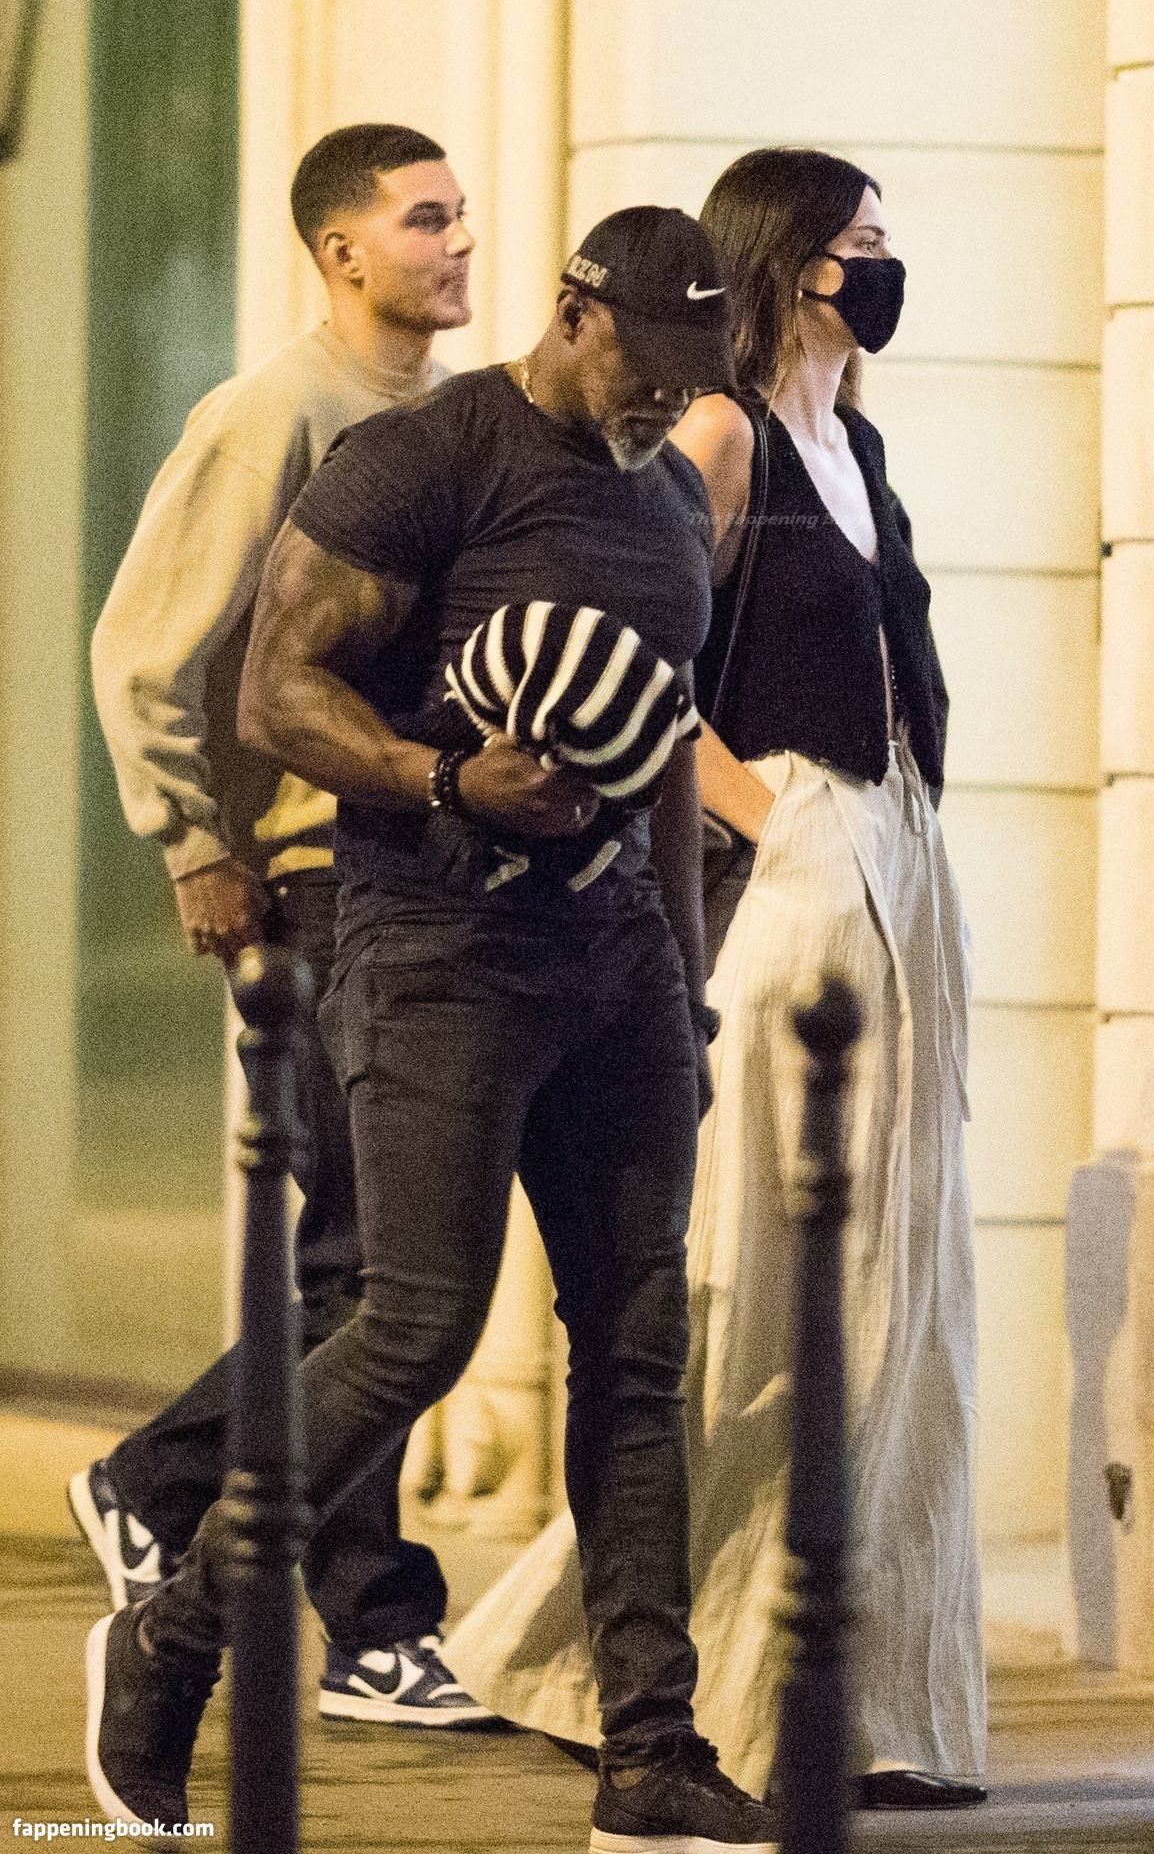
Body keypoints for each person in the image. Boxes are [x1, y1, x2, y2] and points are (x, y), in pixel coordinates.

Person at [84, 204, 781, 1854]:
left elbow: (665, 751)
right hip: (436, 948)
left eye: (691, 377)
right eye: (644, 364)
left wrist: (684, 994)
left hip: (619, 968)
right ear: (575, 314)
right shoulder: (425, 460)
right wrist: (446, 777)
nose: (661, 400)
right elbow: (274, 690)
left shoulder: (668, 499)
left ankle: (652, 1753)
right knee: (413, 1328)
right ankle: (176, 1638)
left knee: (636, 1351)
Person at [442, 146, 988, 1809]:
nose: (879, 270)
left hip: (903, 850)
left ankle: (856, 1693)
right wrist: (777, 816)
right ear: (787, 259)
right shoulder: (723, 434)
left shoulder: (858, 442)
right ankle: (656, 1672)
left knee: (895, 1291)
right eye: (858, 244)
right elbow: (639, 673)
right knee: (771, 1272)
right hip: (801, 863)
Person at [80, 122, 492, 1728]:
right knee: (373, 1269)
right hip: (311, 878)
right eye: (428, 220)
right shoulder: (274, 414)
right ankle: (368, 1620)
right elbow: (142, 650)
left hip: (421, 874)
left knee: (379, 1265)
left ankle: (163, 1486)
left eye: (460, 217)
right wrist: (194, 846)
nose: (460, 244)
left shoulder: (456, 419)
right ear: (342, 251)